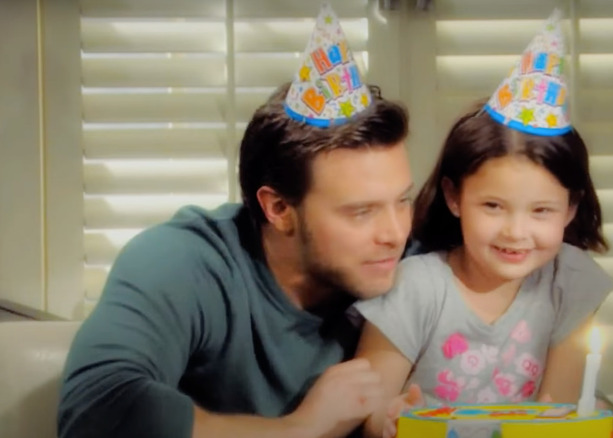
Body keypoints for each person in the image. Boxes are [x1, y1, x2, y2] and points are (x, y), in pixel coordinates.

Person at [58, 5, 414, 438]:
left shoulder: (419, 265)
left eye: (402, 201)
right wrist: (299, 429)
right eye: (361, 212)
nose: (395, 234)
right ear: (279, 209)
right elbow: (95, 411)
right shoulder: (184, 261)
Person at [353, 10, 613, 438]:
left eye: (541, 211)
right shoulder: (414, 287)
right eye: (493, 206)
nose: (515, 232)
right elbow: (367, 412)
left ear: (571, 208)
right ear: (453, 197)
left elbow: (556, 410)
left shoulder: (570, 280)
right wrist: (386, 420)